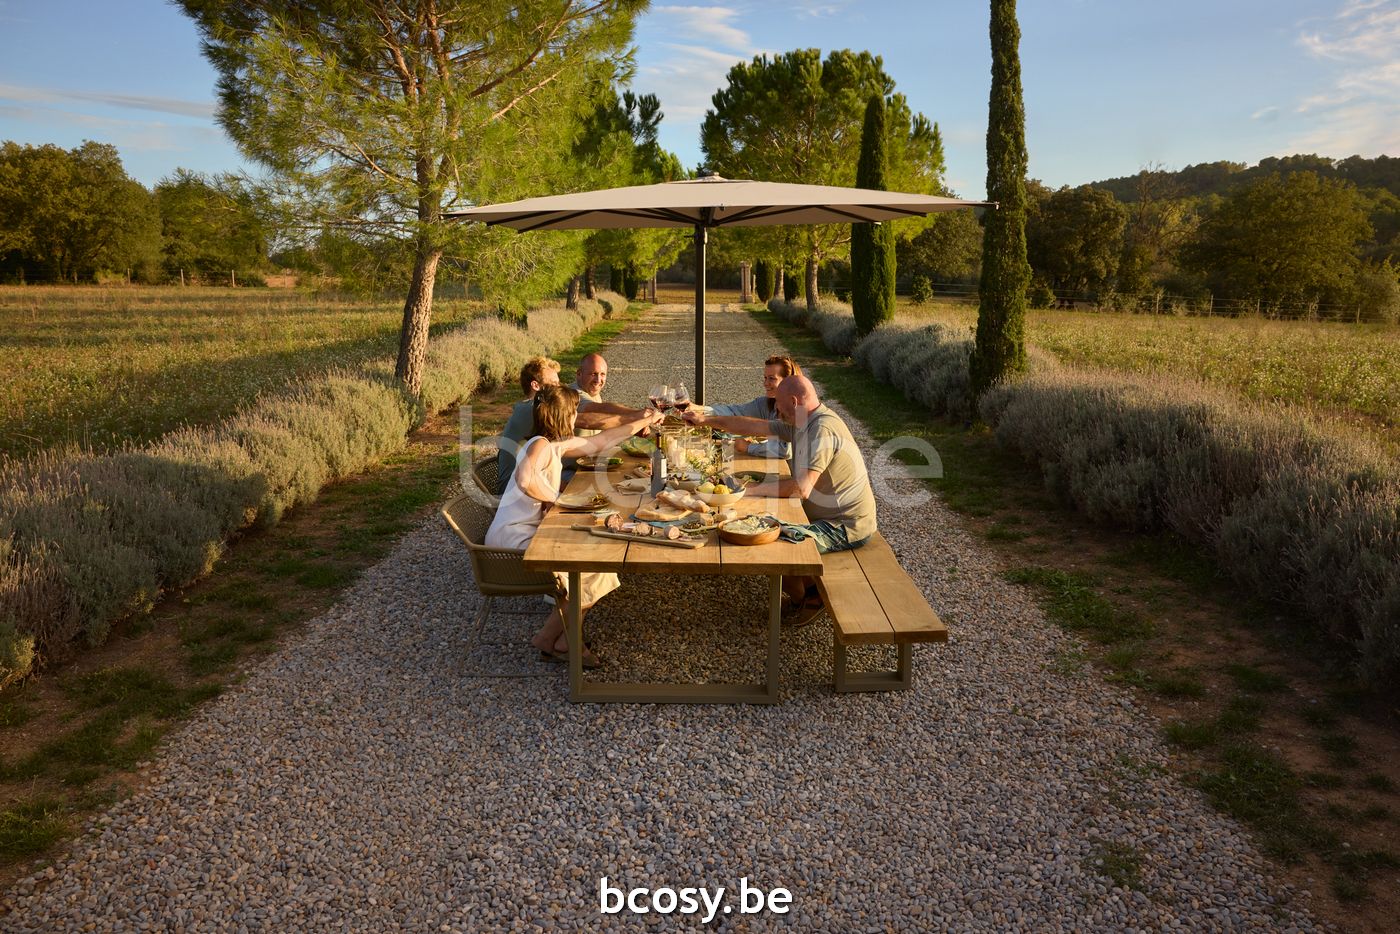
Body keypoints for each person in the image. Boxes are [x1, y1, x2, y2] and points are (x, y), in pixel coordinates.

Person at [486, 386, 664, 667]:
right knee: (595, 568)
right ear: (563, 415)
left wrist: (646, 419)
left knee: (597, 564)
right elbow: (524, 479)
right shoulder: (539, 445)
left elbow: (603, 440)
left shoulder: (554, 444)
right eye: (573, 412)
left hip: (529, 534)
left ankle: (563, 641)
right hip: (514, 544)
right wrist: (554, 499)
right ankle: (553, 639)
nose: (576, 418)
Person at [684, 374, 875, 627]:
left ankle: (810, 597)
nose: (776, 412)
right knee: (761, 526)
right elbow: (752, 426)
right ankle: (803, 593)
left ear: (794, 402)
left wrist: (749, 490)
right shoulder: (803, 421)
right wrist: (706, 420)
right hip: (827, 517)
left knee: (771, 542)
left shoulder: (821, 429)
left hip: (845, 526)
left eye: (779, 406)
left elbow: (801, 488)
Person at [496, 355, 640, 493]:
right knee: (595, 486)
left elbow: (596, 441)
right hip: (515, 492)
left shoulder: (536, 407)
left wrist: (638, 422)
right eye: (553, 384)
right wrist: (635, 418)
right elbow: (586, 421)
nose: (558, 388)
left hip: (533, 481)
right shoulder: (532, 409)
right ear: (535, 385)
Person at [704, 354, 802, 459]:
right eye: (765, 378)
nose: (765, 383)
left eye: (772, 378)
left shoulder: (798, 410)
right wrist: (700, 411)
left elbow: (785, 450)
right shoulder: (768, 403)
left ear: (788, 382)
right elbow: (735, 411)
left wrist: (748, 447)